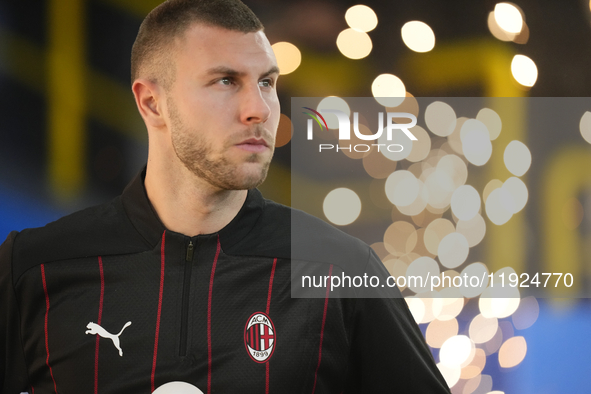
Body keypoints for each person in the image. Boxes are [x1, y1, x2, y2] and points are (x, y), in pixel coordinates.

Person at [0, 0, 450, 393]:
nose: (259, 108)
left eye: (267, 82)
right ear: (152, 103)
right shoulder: (35, 267)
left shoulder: (340, 271)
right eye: (225, 81)